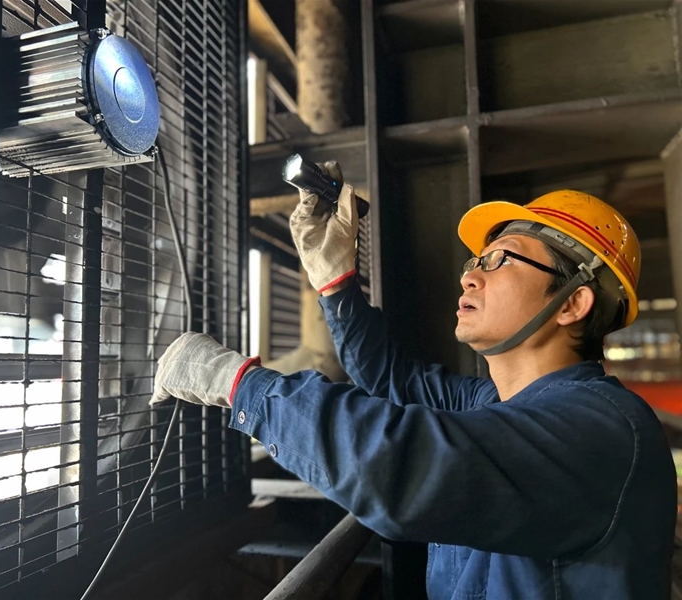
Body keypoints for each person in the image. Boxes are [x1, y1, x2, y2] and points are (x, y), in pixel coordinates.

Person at [150, 166, 676, 599]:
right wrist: (336, 284)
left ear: (573, 302)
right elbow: (390, 379)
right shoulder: (497, 402)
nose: (470, 275)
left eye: (500, 259)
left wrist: (238, 384)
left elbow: (394, 466)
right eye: (476, 260)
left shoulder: (603, 432)